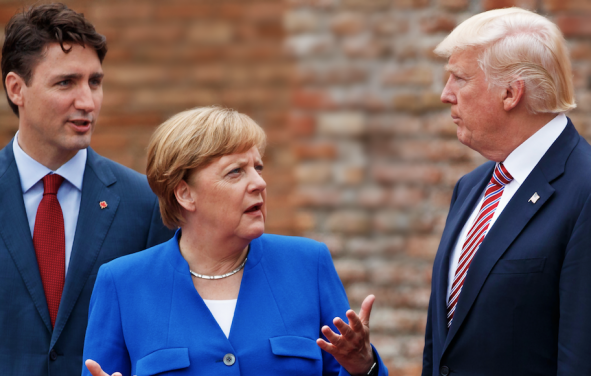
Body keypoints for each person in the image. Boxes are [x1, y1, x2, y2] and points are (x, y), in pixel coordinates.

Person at [82, 106, 388, 376]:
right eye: (235, 172)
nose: (259, 183)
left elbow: (348, 369)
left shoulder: (308, 264)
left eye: (257, 167)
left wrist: (363, 366)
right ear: (185, 193)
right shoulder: (123, 283)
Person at [0, 4, 174, 375]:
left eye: (94, 82)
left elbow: (162, 334)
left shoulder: (145, 203)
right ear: (17, 89)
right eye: (66, 82)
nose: (88, 102)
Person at [422, 7, 591, 376]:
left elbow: (581, 355)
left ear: (511, 93)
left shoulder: (585, 190)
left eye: (459, 78)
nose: (445, 95)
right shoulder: (472, 187)